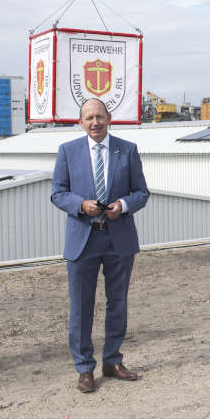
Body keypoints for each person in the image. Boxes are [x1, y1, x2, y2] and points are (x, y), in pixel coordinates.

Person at [51, 98, 150, 393]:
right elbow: (57, 193)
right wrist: (80, 204)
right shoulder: (68, 152)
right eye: (88, 118)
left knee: (117, 304)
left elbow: (142, 192)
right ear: (80, 122)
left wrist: (122, 204)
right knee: (81, 307)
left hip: (118, 237)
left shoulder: (127, 150)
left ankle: (113, 361)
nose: (95, 122)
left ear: (109, 118)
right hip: (83, 239)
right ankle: (84, 368)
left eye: (99, 117)